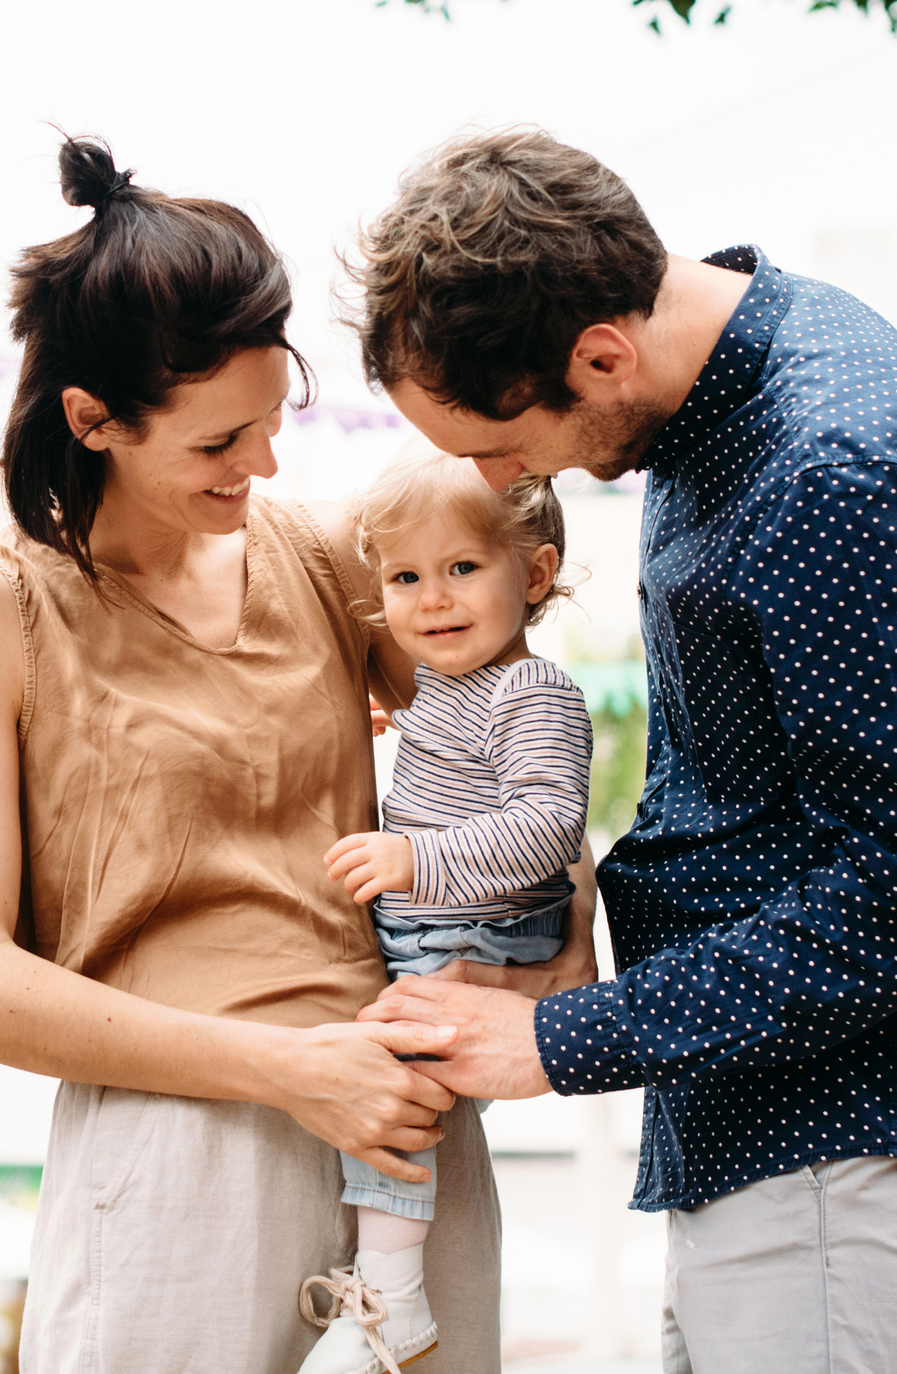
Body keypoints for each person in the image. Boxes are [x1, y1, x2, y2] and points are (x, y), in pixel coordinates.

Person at [351, 129, 897, 1374]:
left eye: (498, 443)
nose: (491, 476)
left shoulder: (831, 466)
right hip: (772, 1132)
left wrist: (560, 1042)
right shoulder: (716, 398)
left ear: (600, 353)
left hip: (840, 1143)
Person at [0, 137, 560, 1374]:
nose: (260, 467)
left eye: (270, 424)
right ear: (93, 421)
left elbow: (526, 740)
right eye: (218, 444)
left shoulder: (320, 557)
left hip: (405, 1143)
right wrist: (292, 1069)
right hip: (176, 1159)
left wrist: (543, 985)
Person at [297, 451, 594, 1374]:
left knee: (395, 1067)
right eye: (406, 577)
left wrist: (413, 855)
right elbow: (462, 762)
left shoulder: (533, 690)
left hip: (484, 924)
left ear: (534, 573)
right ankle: (385, 1281)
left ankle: (393, 1295)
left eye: (463, 567)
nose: (434, 598)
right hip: (448, 916)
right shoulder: (445, 688)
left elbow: (547, 827)